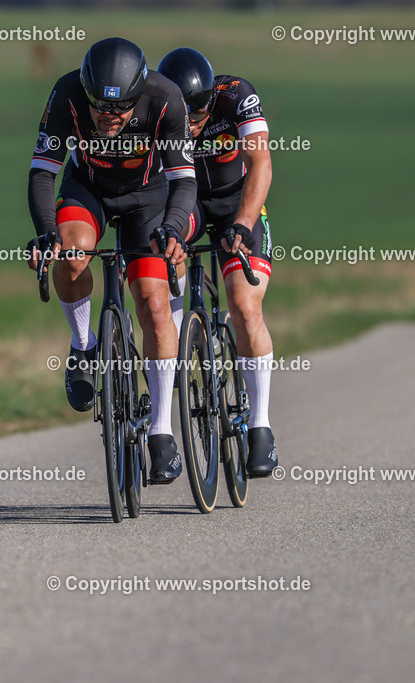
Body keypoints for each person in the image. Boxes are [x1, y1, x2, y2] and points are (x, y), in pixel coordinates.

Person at [26, 37, 196, 484]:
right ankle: (83, 345)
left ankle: (161, 431)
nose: (109, 116)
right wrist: (46, 233)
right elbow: (43, 172)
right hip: (89, 189)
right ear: (85, 91)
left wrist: (174, 230)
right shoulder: (66, 93)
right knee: (72, 251)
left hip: (148, 198)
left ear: (140, 93)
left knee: (155, 306)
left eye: (120, 110)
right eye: (100, 106)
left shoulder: (166, 98)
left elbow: (183, 181)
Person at [156, 47, 277, 478]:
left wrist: (244, 223)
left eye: (199, 116)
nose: (191, 126)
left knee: (244, 306)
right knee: (164, 250)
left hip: (235, 204)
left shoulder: (236, 94)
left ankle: (260, 426)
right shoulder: (156, 102)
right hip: (187, 202)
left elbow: (259, 161)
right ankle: (171, 348)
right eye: (183, 118)